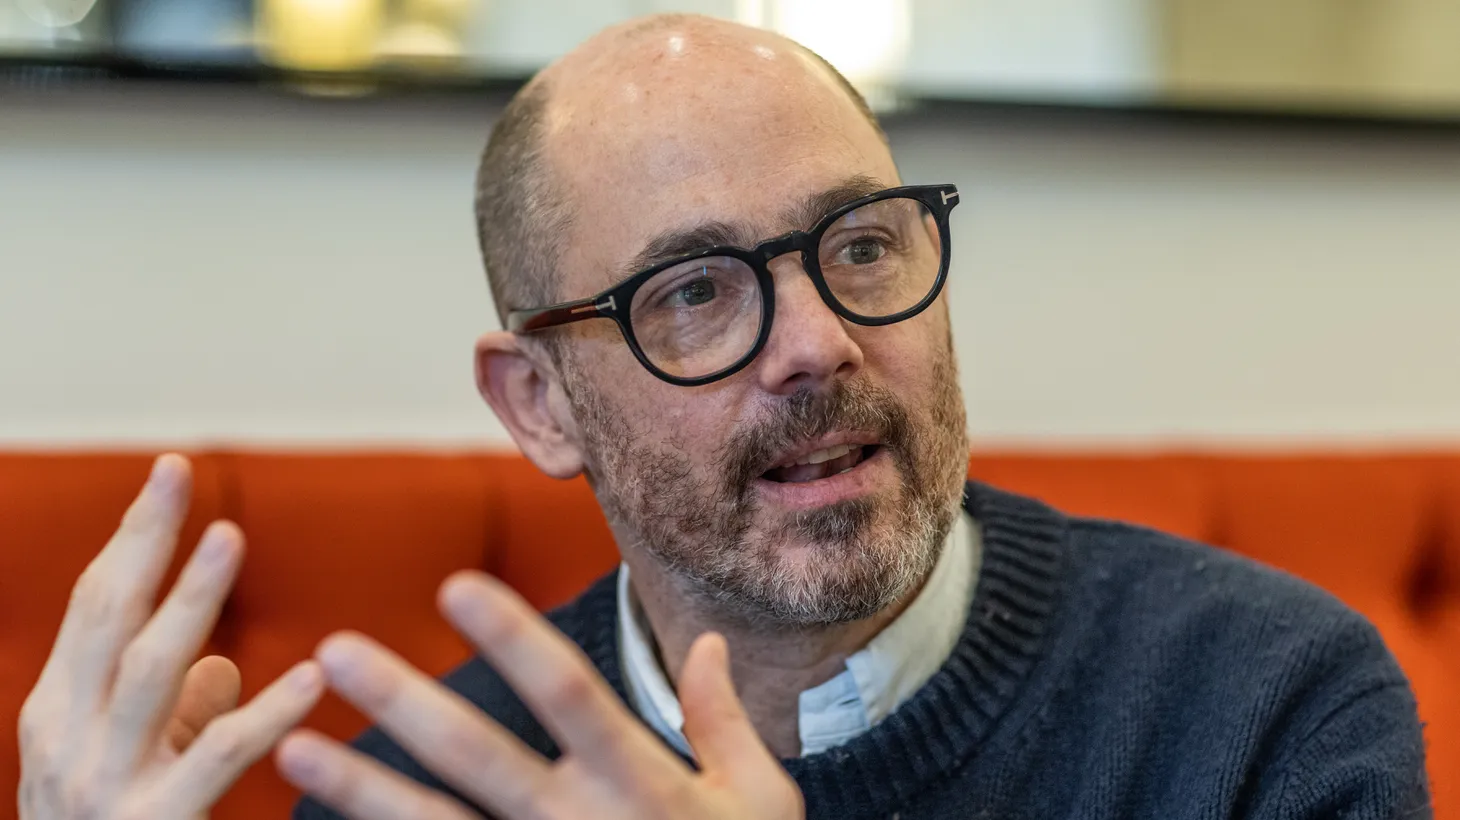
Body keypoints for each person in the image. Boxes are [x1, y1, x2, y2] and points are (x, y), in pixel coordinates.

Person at [18, 13, 1430, 820]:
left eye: (863, 247)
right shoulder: (438, 790)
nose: (817, 343)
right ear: (541, 404)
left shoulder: (1267, 704)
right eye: (692, 293)